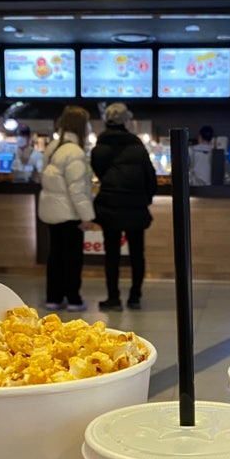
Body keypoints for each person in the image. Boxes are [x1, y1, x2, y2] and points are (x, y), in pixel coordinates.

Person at [90, 102, 157, 312]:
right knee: (137, 254)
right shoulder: (138, 148)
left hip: (110, 208)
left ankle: (113, 298)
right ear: (126, 121)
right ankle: (135, 297)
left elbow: (100, 174)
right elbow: (151, 178)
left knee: (112, 256)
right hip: (135, 207)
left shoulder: (99, 148)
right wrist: (144, 199)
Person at [37, 105, 95, 312]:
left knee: (56, 256)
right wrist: (87, 216)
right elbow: (77, 189)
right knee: (72, 258)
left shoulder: (53, 147)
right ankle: (73, 299)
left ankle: (53, 297)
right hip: (70, 213)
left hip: (52, 211)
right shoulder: (75, 152)